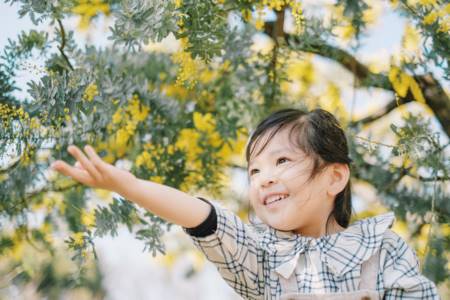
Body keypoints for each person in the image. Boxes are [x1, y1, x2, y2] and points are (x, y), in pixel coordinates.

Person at [51, 108, 439, 299]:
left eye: (282, 161)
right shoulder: (262, 255)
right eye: (253, 171)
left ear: (335, 177)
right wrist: (129, 185)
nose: (263, 178)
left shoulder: (382, 248)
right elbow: (202, 217)